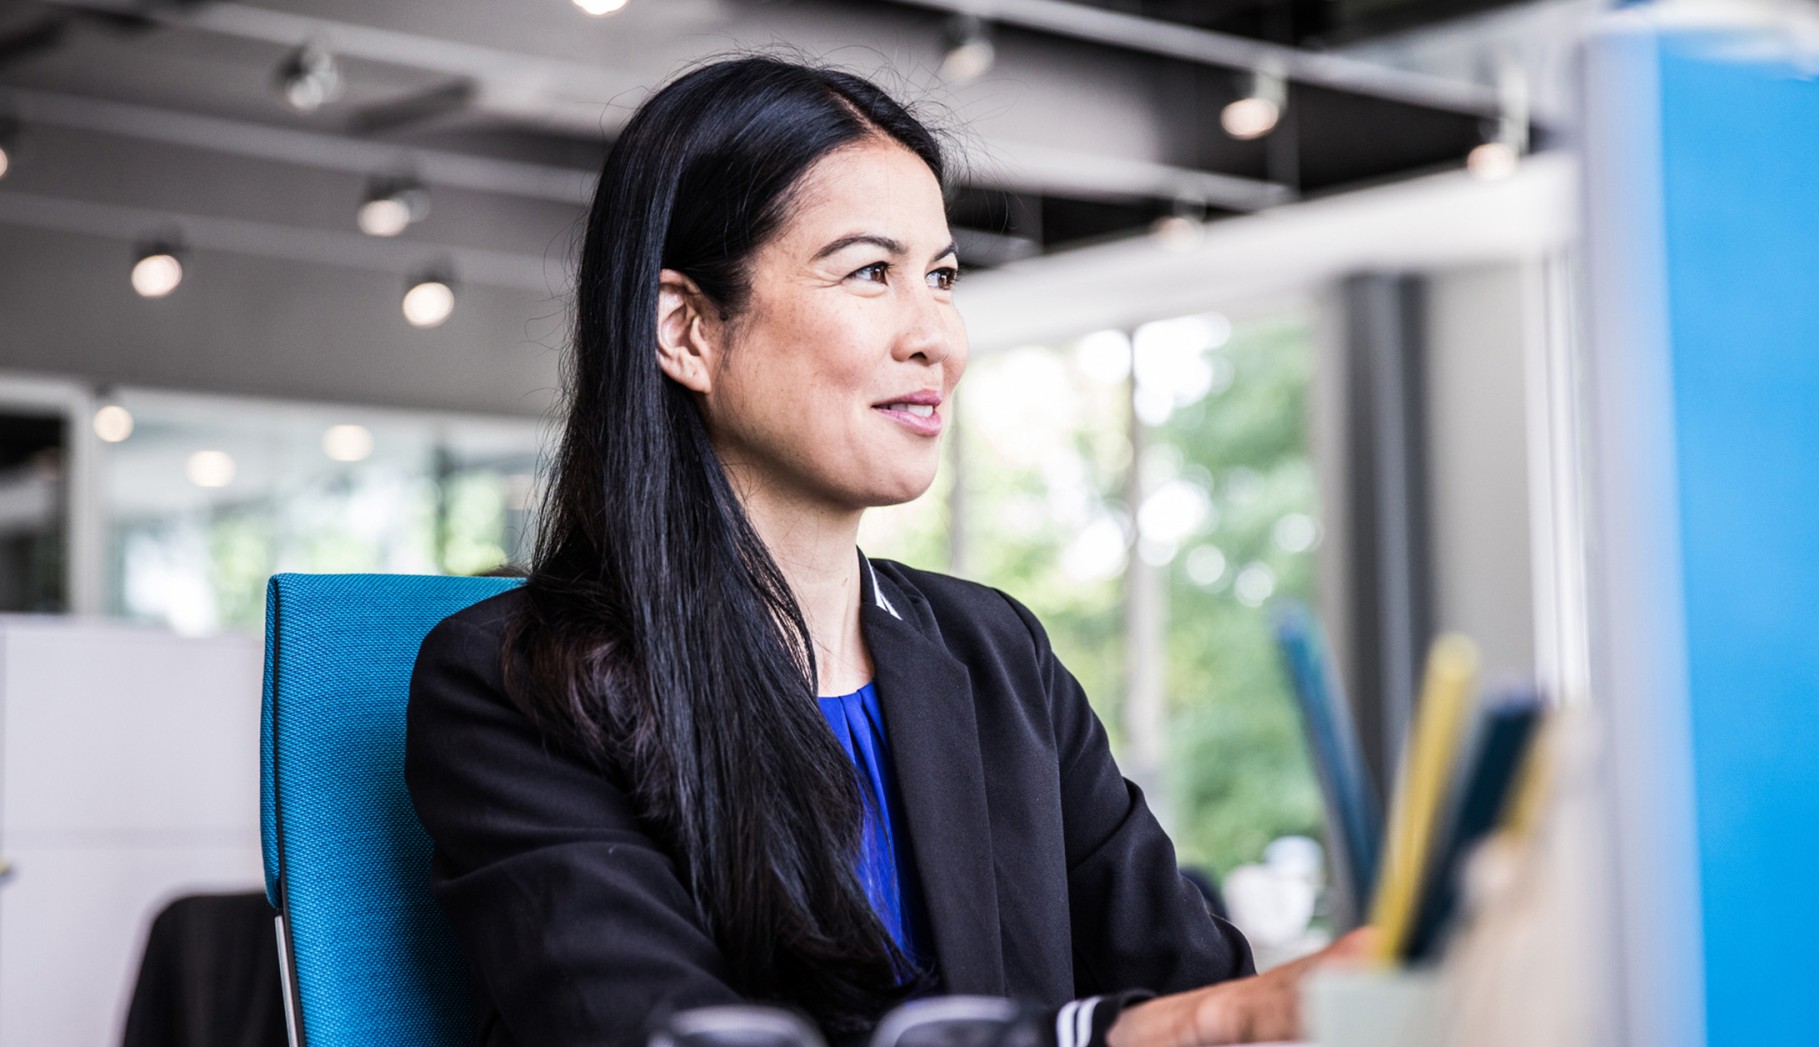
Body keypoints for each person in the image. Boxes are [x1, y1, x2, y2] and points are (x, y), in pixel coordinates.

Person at [404, 55, 1370, 1047]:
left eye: (940, 276)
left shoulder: (996, 653)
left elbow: (1192, 980)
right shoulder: (514, 683)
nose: (937, 339)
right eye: (869, 271)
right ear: (686, 327)